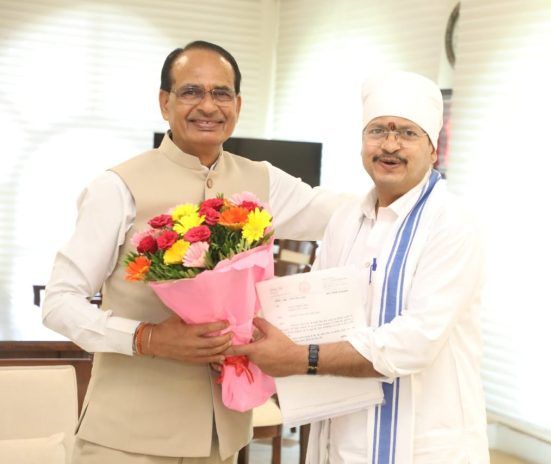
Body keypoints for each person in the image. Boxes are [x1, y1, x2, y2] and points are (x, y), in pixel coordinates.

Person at [43, 40, 348, 463]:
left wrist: (406, 182)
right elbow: (59, 303)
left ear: (237, 104)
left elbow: (344, 213)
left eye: (221, 93)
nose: (208, 106)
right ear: (164, 102)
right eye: (191, 92)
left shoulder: (264, 181)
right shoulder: (116, 187)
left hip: (221, 441)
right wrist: (146, 338)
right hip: (126, 440)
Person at [230, 70, 490, 463]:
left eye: (407, 133)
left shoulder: (452, 223)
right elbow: (314, 315)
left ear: (432, 149)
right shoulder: (346, 220)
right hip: (342, 434)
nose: (390, 145)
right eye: (378, 130)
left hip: (423, 444)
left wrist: (302, 357)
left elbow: (414, 343)